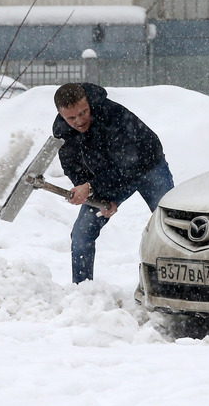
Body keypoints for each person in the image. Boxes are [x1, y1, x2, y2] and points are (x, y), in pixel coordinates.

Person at [52, 82, 174, 284]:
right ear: (61, 115)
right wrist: (94, 197)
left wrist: (93, 188)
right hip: (110, 175)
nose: (79, 121)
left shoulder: (112, 114)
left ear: (88, 103)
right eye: (71, 117)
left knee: (170, 225)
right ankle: (83, 291)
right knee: (82, 234)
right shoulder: (62, 130)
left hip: (148, 166)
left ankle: (176, 286)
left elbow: (127, 166)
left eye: (83, 112)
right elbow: (73, 166)